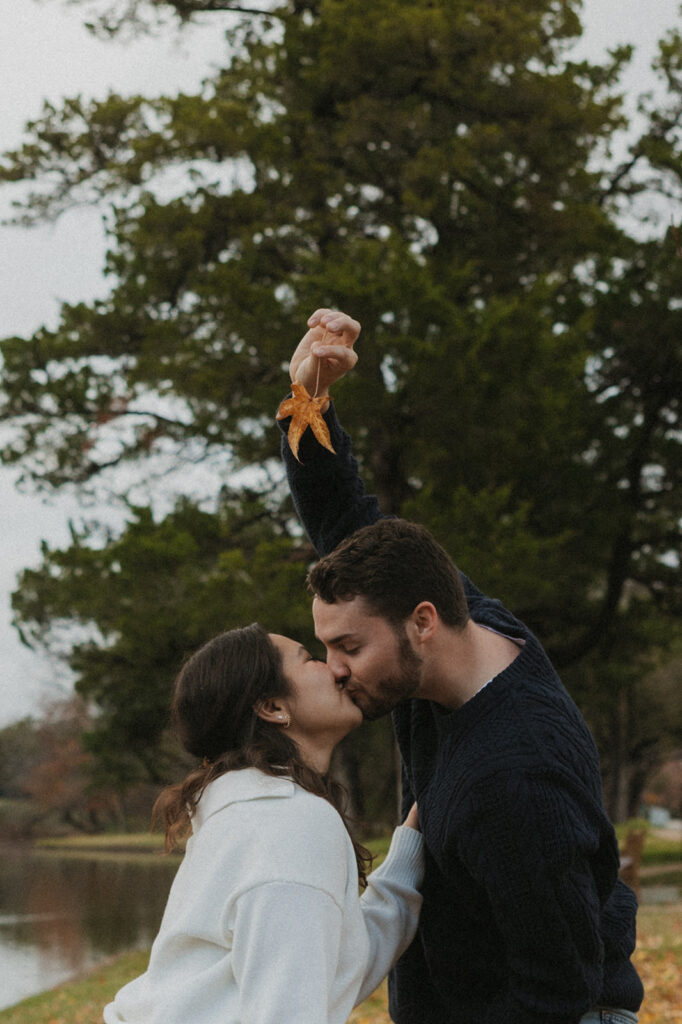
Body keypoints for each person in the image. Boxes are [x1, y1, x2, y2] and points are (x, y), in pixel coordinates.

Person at [277, 308, 644, 1024]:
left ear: (420, 624)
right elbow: (345, 518)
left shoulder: (514, 782)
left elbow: (555, 996)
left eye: (349, 648)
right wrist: (308, 398)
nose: (335, 669)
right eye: (327, 647)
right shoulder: (460, 628)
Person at [103, 623, 424, 1024]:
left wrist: (406, 866)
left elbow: (329, 976)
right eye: (310, 659)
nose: (337, 669)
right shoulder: (285, 825)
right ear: (272, 707)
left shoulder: (256, 814)